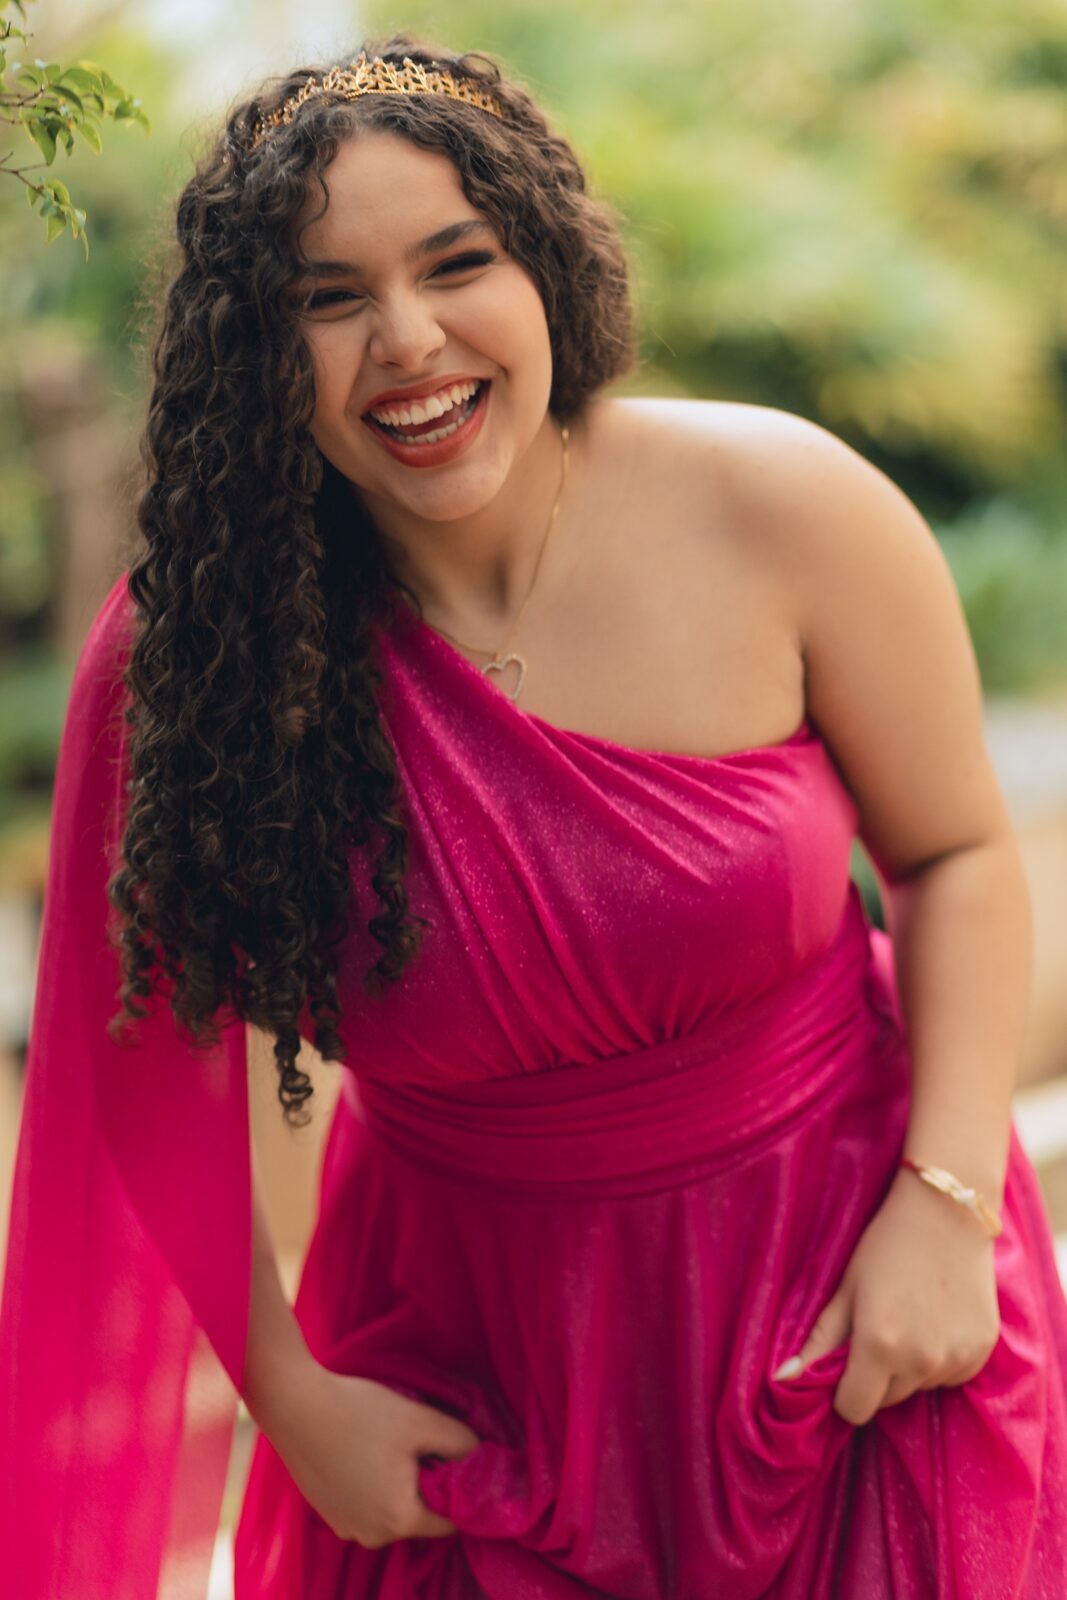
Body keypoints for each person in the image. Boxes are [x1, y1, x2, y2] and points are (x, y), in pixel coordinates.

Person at [3, 30, 1067, 1599]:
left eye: (457, 263)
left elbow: (958, 853)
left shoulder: (787, 506)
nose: (408, 341)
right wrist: (288, 1394)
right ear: (253, 348)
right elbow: (140, 1058)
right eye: (326, 299)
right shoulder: (198, 661)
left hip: (861, 1316)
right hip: (467, 1396)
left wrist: (946, 1206)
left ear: (546, 264)